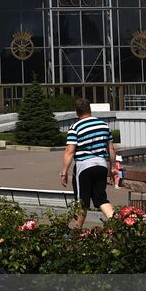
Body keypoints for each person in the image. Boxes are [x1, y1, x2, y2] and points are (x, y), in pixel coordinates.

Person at [61, 98, 116, 229]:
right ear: (90, 109)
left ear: (77, 112)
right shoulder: (103, 125)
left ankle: (77, 231)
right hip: (101, 165)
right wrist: (113, 168)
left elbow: (69, 151)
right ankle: (118, 223)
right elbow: (111, 148)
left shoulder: (75, 127)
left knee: (82, 202)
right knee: (101, 198)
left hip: (84, 167)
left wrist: (64, 172)